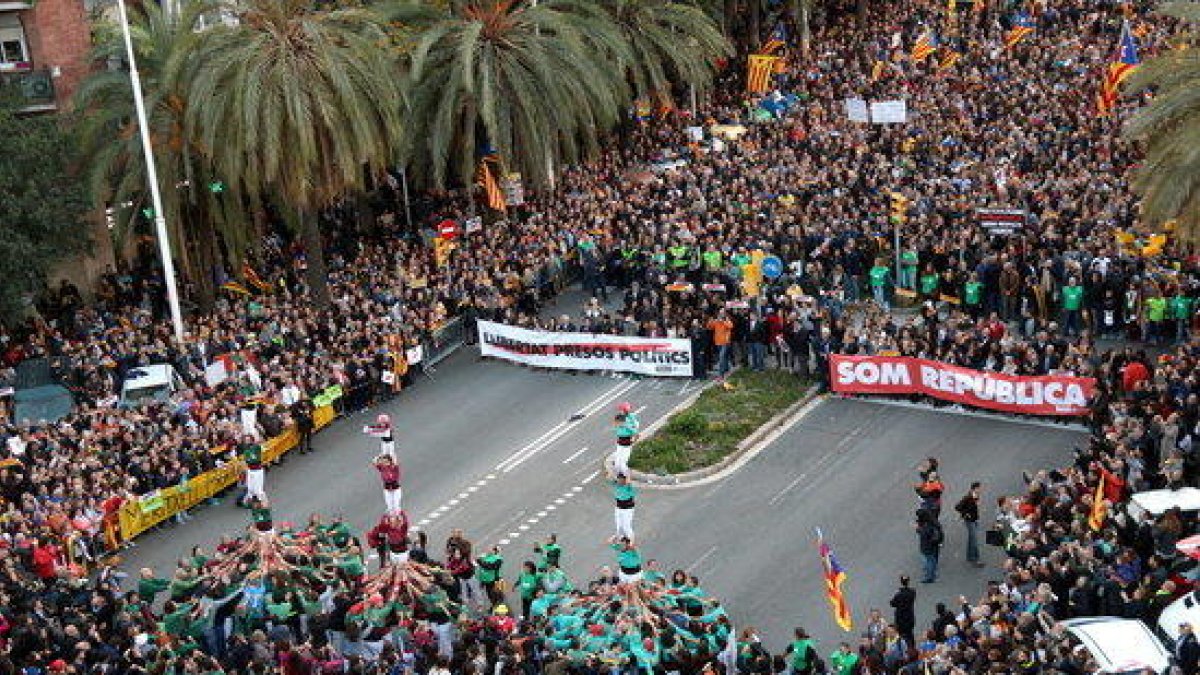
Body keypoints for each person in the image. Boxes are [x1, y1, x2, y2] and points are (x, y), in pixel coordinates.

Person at [954, 482, 984, 567]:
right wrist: (965, 514)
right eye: (979, 488)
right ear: (974, 489)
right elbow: (957, 507)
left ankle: (970, 557)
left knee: (971, 540)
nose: (980, 490)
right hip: (970, 521)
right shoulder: (968, 497)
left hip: (974, 520)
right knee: (974, 540)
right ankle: (976, 560)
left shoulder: (976, 496)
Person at [916, 510, 943, 583]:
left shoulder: (926, 527)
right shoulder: (934, 522)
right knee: (932, 559)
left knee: (929, 560)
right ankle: (932, 573)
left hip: (927, 545)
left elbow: (922, 533)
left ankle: (929, 577)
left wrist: (919, 529)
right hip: (934, 544)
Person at [889, 575, 916, 647]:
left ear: (901, 582)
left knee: (900, 634)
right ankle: (912, 647)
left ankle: (902, 648)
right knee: (910, 633)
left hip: (900, 618)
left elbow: (892, 603)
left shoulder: (899, 594)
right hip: (910, 616)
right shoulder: (912, 592)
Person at [240, 435, 266, 504]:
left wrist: (259, 440)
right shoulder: (245, 450)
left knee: (258, 489)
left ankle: (263, 503)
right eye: (246, 440)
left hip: (258, 471)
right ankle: (252, 501)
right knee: (250, 488)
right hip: (250, 471)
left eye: (248, 440)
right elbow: (245, 461)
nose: (247, 441)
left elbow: (260, 443)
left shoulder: (256, 447)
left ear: (252, 440)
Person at [612, 473, 636, 541]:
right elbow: (610, 476)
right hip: (618, 507)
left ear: (624, 480)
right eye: (619, 479)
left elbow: (628, 480)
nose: (619, 480)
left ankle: (631, 542)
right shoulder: (616, 485)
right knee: (618, 525)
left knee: (627, 526)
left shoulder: (628, 487)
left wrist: (627, 472)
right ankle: (623, 538)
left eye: (621, 479)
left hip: (627, 509)